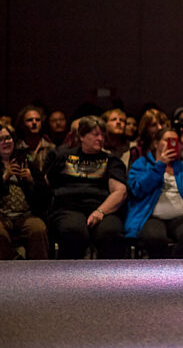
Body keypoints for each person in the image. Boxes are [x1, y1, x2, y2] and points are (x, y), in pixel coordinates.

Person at [45, 115, 128, 259]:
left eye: (103, 135)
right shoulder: (63, 157)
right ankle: (71, 278)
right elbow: (47, 183)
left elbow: (120, 191)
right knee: (73, 230)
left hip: (102, 208)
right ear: (82, 136)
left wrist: (100, 211)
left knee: (111, 231)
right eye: (95, 135)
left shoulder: (111, 161)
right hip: (68, 209)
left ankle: (108, 278)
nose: (100, 139)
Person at [125, 128, 183, 258]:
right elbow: (137, 190)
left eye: (175, 141)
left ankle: (174, 273)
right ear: (156, 143)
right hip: (151, 217)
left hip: (181, 216)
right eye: (167, 140)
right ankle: (162, 275)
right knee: (155, 237)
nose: (172, 144)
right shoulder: (141, 164)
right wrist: (160, 166)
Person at [0, 125, 49, 259]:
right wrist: (4, 177)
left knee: (38, 229)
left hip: (26, 215)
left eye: (8, 138)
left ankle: (39, 274)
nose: (6, 142)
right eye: (1, 139)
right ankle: (10, 269)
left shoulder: (26, 160)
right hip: (2, 216)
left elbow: (45, 195)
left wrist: (31, 180)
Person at [15, 105, 56, 175]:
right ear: (22, 124)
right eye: (29, 120)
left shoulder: (51, 148)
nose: (34, 122)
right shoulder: (16, 147)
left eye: (37, 120)